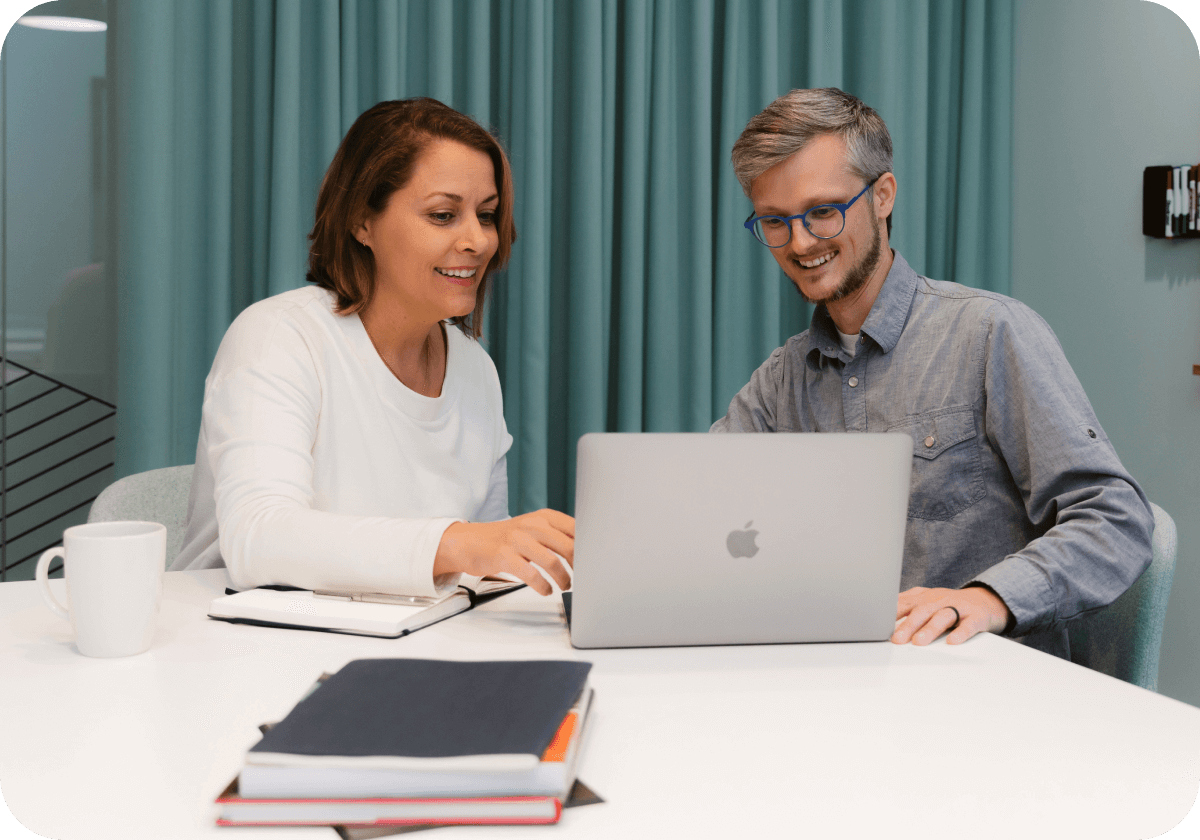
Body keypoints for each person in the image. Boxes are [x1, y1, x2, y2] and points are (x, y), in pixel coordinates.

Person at [711, 88, 1153, 658]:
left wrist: (986, 598)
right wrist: (573, 543)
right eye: (775, 221)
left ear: (883, 197)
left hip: (980, 695)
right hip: (838, 689)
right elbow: (702, 516)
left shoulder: (992, 333)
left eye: (823, 212)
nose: (800, 243)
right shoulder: (780, 382)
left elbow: (1115, 520)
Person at [172, 98, 573, 599]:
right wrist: (457, 543)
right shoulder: (279, 338)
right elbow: (258, 538)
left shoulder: (474, 370)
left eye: (487, 215)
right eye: (444, 215)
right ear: (363, 221)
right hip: (239, 649)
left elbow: (481, 560)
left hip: (406, 645)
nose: (478, 241)